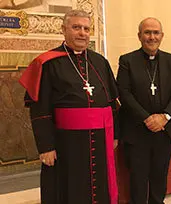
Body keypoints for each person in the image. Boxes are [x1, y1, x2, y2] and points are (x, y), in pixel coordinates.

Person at [19, 9, 118, 204]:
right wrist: (46, 147)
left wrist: (114, 135)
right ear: (64, 30)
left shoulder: (99, 61)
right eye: (76, 28)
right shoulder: (47, 63)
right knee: (70, 188)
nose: (82, 33)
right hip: (66, 143)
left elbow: (112, 102)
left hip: (100, 139)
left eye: (86, 29)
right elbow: (40, 109)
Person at [116, 17, 171, 204]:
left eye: (156, 33)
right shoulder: (127, 61)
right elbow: (124, 93)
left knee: (159, 176)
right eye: (147, 32)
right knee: (137, 178)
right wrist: (147, 118)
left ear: (162, 36)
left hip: (165, 130)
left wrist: (165, 117)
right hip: (137, 130)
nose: (152, 37)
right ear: (139, 36)